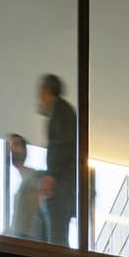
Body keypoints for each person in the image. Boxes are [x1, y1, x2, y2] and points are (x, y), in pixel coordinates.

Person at [36, 73, 76, 246]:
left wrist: (51, 175)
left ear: (46, 91)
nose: (40, 98)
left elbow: (62, 144)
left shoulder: (61, 111)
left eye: (41, 93)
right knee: (57, 234)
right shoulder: (63, 112)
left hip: (62, 182)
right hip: (63, 181)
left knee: (57, 238)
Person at [6, 133, 46, 241]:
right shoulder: (25, 180)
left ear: (24, 150)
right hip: (19, 239)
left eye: (15, 144)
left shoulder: (33, 177)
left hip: (30, 240)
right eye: (10, 146)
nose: (11, 149)